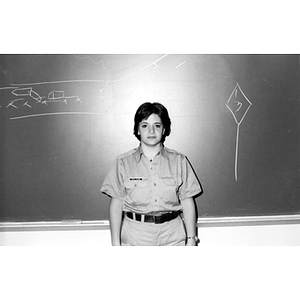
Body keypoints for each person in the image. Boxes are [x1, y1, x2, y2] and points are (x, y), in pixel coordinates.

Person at [101, 102, 202, 246]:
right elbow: (116, 203)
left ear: (164, 129)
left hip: (173, 237)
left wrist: (191, 240)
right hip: (135, 237)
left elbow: (187, 201)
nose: (151, 131)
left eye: (157, 125)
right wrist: (115, 244)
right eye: (145, 125)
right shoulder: (123, 162)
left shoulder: (179, 161)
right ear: (137, 130)